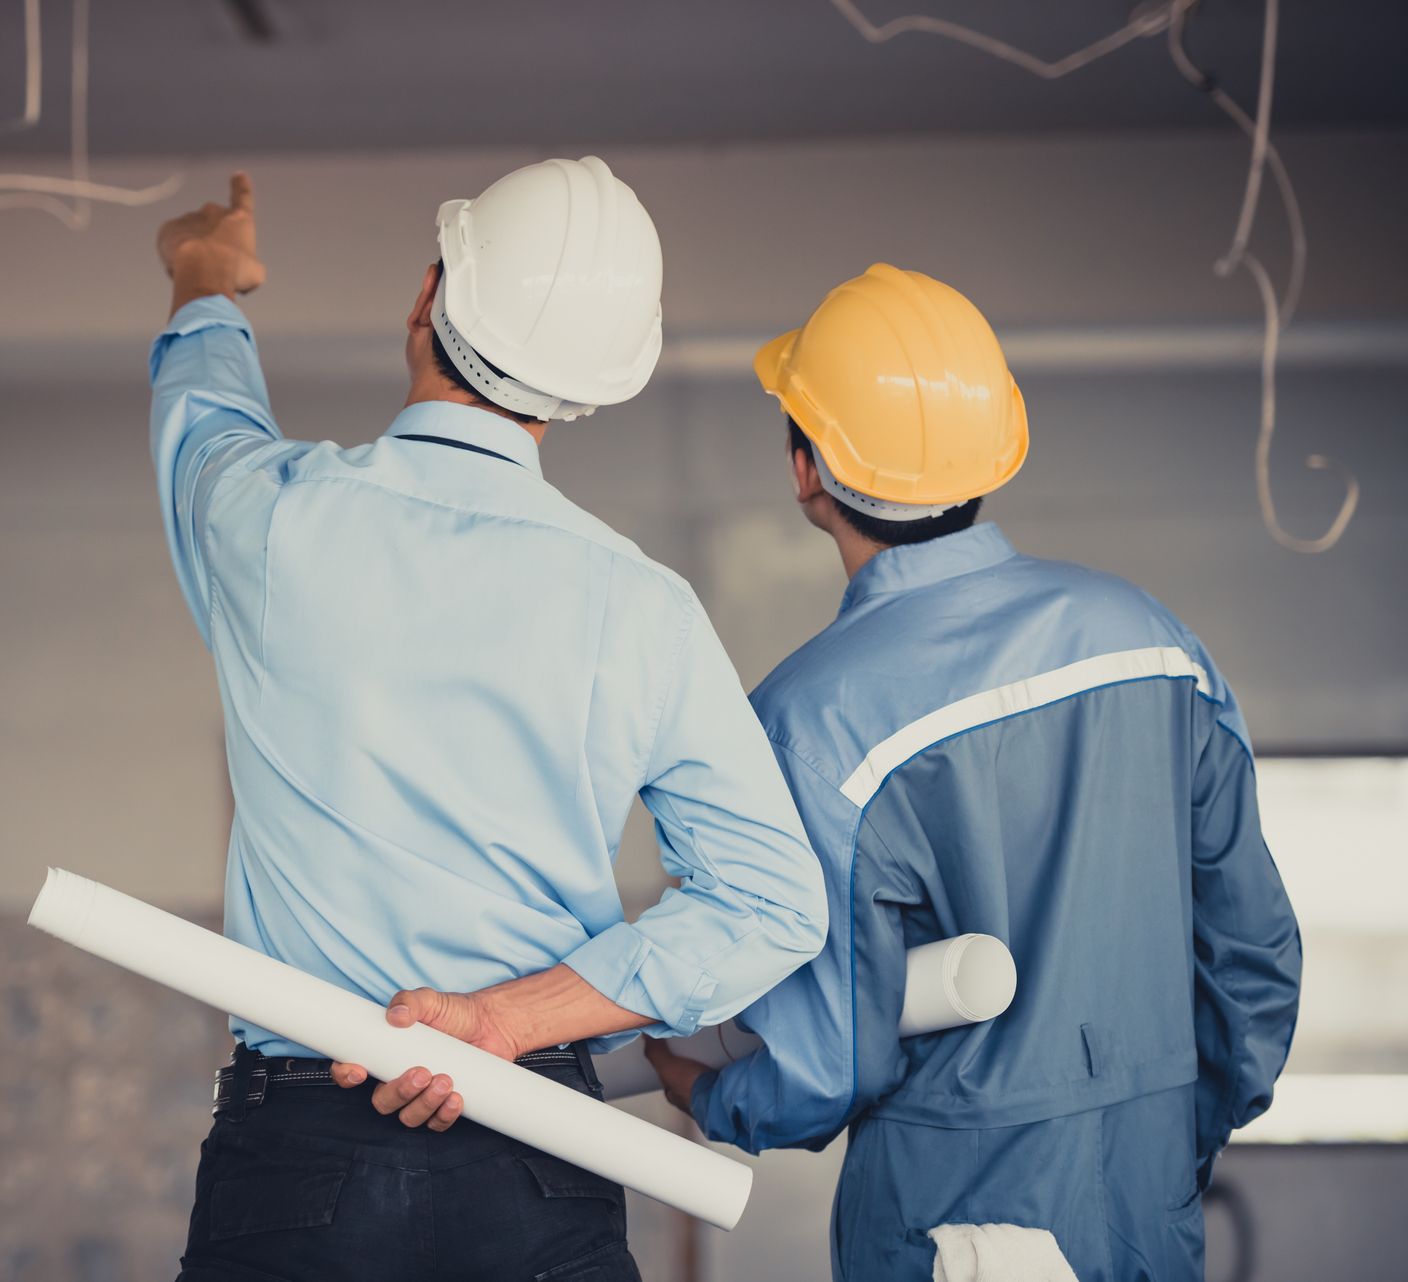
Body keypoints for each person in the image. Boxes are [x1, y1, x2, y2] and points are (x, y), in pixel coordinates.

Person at [149, 161, 825, 1282]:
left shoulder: (268, 519)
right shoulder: (639, 605)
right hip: (536, 1148)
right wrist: (507, 1020)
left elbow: (202, 417)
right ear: (584, 396)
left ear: (427, 296)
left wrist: (204, 277)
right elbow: (769, 901)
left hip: (301, 1151)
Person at [643, 264, 1302, 1282]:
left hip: (949, 1229)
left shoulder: (809, 722)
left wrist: (705, 1092)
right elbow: (1253, 966)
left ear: (804, 467)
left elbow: (829, 1060)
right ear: (996, 451)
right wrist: (1161, 1135)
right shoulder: (1155, 644)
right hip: (1150, 1207)